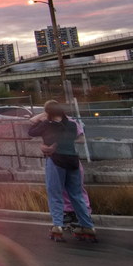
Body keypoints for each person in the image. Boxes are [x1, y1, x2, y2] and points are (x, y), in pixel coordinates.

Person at [27, 100, 96, 242]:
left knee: (55, 193)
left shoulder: (47, 124)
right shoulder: (71, 125)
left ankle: (57, 225)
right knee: (76, 194)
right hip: (73, 160)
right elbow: (71, 138)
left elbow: (31, 131)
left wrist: (48, 143)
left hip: (56, 160)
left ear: (48, 112)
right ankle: (87, 225)